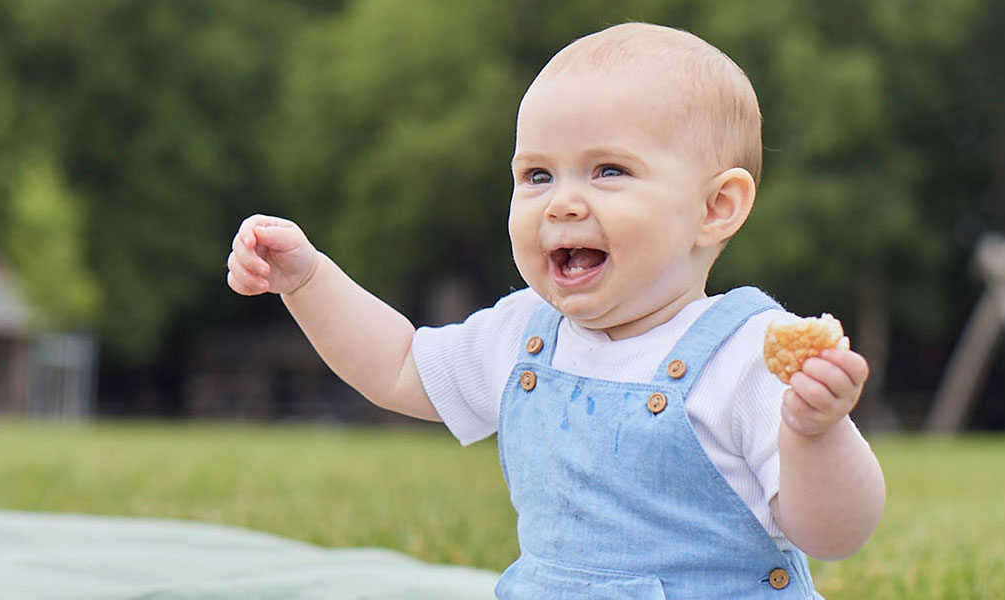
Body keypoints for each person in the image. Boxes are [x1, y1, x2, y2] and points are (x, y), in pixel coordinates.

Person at [226, 22, 884, 598]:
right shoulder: (525, 335)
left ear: (715, 208)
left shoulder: (751, 354)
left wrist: (816, 433)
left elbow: (833, 534)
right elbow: (398, 365)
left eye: (607, 171)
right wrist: (307, 280)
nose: (562, 203)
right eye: (537, 176)